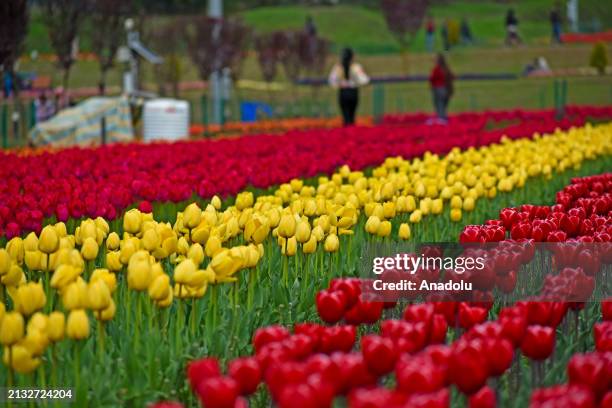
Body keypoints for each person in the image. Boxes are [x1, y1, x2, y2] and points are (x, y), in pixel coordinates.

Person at [328, 48, 370, 126]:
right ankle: (351, 130)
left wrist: (339, 84)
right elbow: (365, 80)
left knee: (345, 115)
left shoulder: (338, 67)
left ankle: (346, 130)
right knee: (352, 115)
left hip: (343, 92)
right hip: (353, 91)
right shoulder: (356, 67)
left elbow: (332, 80)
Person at [429, 54, 454, 123]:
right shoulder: (446, 68)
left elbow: (432, 79)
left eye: (436, 59)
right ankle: (444, 118)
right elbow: (452, 76)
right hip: (447, 89)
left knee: (439, 105)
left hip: (438, 89)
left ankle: (441, 120)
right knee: (443, 106)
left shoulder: (437, 69)